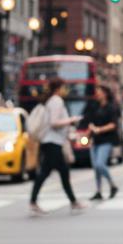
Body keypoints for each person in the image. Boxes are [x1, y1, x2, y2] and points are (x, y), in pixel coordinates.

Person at [29, 78, 85, 215]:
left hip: (53, 142)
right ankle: (33, 201)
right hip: (52, 142)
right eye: (64, 87)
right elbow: (54, 122)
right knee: (46, 173)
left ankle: (73, 202)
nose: (66, 90)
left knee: (61, 172)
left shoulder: (52, 101)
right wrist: (71, 120)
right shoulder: (56, 101)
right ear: (59, 88)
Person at [86, 85, 120, 201]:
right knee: (96, 167)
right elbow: (90, 121)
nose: (97, 94)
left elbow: (113, 124)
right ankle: (98, 191)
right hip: (95, 140)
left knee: (100, 164)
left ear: (105, 93)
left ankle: (112, 185)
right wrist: (89, 131)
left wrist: (99, 129)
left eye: (99, 92)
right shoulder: (95, 106)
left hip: (107, 140)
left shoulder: (111, 107)